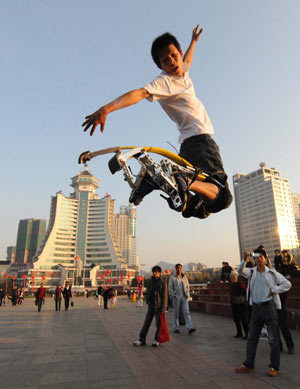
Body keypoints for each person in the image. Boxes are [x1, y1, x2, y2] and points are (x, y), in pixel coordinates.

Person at [82, 25, 232, 219]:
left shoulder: (183, 72)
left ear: (178, 53)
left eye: (173, 55)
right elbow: (139, 93)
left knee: (201, 209)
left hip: (187, 147)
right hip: (201, 142)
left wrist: (193, 41)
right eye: (165, 60)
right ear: (160, 66)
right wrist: (106, 109)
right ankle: (182, 178)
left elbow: (187, 59)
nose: (171, 62)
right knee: (223, 196)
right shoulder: (164, 82)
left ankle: (154, 180)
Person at [235, 247, 291, 377]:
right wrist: (245, 259)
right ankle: (249, 364)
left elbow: (287, 284)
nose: (258, 259)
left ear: (265, 259)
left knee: (273, 340)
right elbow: (240, 271)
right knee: (251, 338)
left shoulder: (271, 273)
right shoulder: (252, 272)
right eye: (256, 257)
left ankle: (274, 367)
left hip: (269, 308)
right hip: (256, 309)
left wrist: (275, 289)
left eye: (261, 257)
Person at [133, 266, 167, 347]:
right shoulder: (150, 281)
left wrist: (163, 308)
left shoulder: (163, 283)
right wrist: (147, 299)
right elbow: (148, 290)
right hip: (151, 304)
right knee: (146, 322)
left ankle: (157, 340)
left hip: (158, 306)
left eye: (156, 272)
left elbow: (164, 296)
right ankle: (142, 340)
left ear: (159, 273)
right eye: (154, 271)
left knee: (158, 324)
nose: (155, 273)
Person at [168, 263, 196, 334]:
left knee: (186, 312)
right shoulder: (172, 277)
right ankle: (176, 328)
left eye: (180, 268)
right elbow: (170, 288)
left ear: (182, 269)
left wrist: (188, 295)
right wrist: (174, 295)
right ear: (176, 269)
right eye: (177, 268)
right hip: (176, 297)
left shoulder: (184, 277)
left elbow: (187, 286)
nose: (179, 269)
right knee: (176, 313)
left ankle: (190, 327)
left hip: (184, 297)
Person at [229, 271, 248, 339]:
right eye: (232, 277)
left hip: (242, 304)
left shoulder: (241, 284)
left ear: (237, 277)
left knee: (243, 320)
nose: (233, 278)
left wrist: (246, 302)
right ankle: (239, 333)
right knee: (236, 319)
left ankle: (247, 333)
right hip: (234, 304)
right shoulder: (231, 284)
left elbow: (245, 293)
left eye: (234, 277)